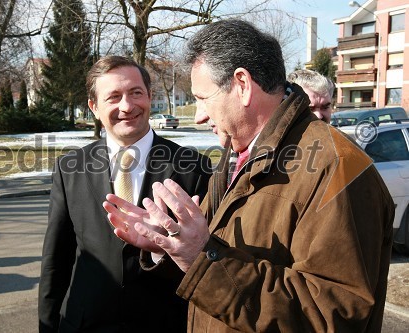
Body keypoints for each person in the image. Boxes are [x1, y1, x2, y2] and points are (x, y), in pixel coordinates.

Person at [103, 20, 394, 332]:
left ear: (242, 84)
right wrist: (170, 246)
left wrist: (201, 258)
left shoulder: (338, 166)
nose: (199, 115)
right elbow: (217, 263)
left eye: (203, 98)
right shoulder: (237, 152)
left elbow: (334, 313)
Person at [38, 56, 212, 332]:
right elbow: (56, 262)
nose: (127, 106)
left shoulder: (194, 167)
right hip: (85, 324)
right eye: (114, 97)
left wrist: (159, 251)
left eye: (135, 93)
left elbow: (204, 260)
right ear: (94, 107)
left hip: (164, 323)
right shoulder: (69, 169)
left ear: (149, 96)